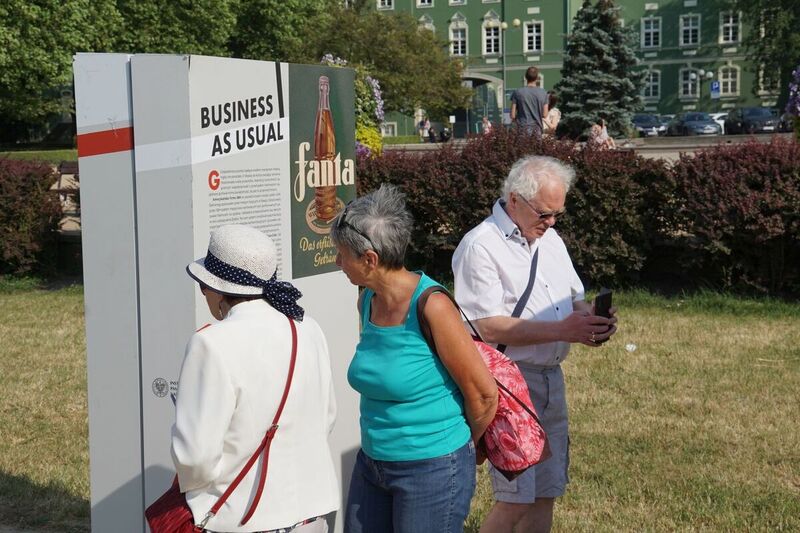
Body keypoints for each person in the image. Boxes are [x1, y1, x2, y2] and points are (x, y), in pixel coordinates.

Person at [452, 156, 618, 533]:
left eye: (558, 214)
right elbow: (488, 326)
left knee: (546, 491)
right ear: (514, 200)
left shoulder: (551, 239)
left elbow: (574, 296)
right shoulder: (480, 246)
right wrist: (563, 330)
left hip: (549, 378)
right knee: (515, 498)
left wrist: (591, 318)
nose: (552, 223)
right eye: (545, 214)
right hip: (510, 384)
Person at [332, 185, 498, 533]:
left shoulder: (432, 306)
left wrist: (460, 451)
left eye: (342, 254)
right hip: (373, 464)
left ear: (370, 259)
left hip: (432, 468)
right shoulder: (367, 300)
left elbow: (483, 395)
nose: (337, 263)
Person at [175, 224, 339, 533]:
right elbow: (326, 416)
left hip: (242, 516)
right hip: (311, 514)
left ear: (219, 289)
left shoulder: (211, 344)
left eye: (203, 285)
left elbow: (195, 456)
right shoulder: (307, 328)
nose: (203, 292)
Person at [511, 67, 549, 138]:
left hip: (522, 129)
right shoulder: (543, 93)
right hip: (537, 129)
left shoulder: (517, 92)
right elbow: (545, 114)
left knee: (523, 149)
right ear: (537, 77)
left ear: (526, 77)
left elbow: (512, 115)